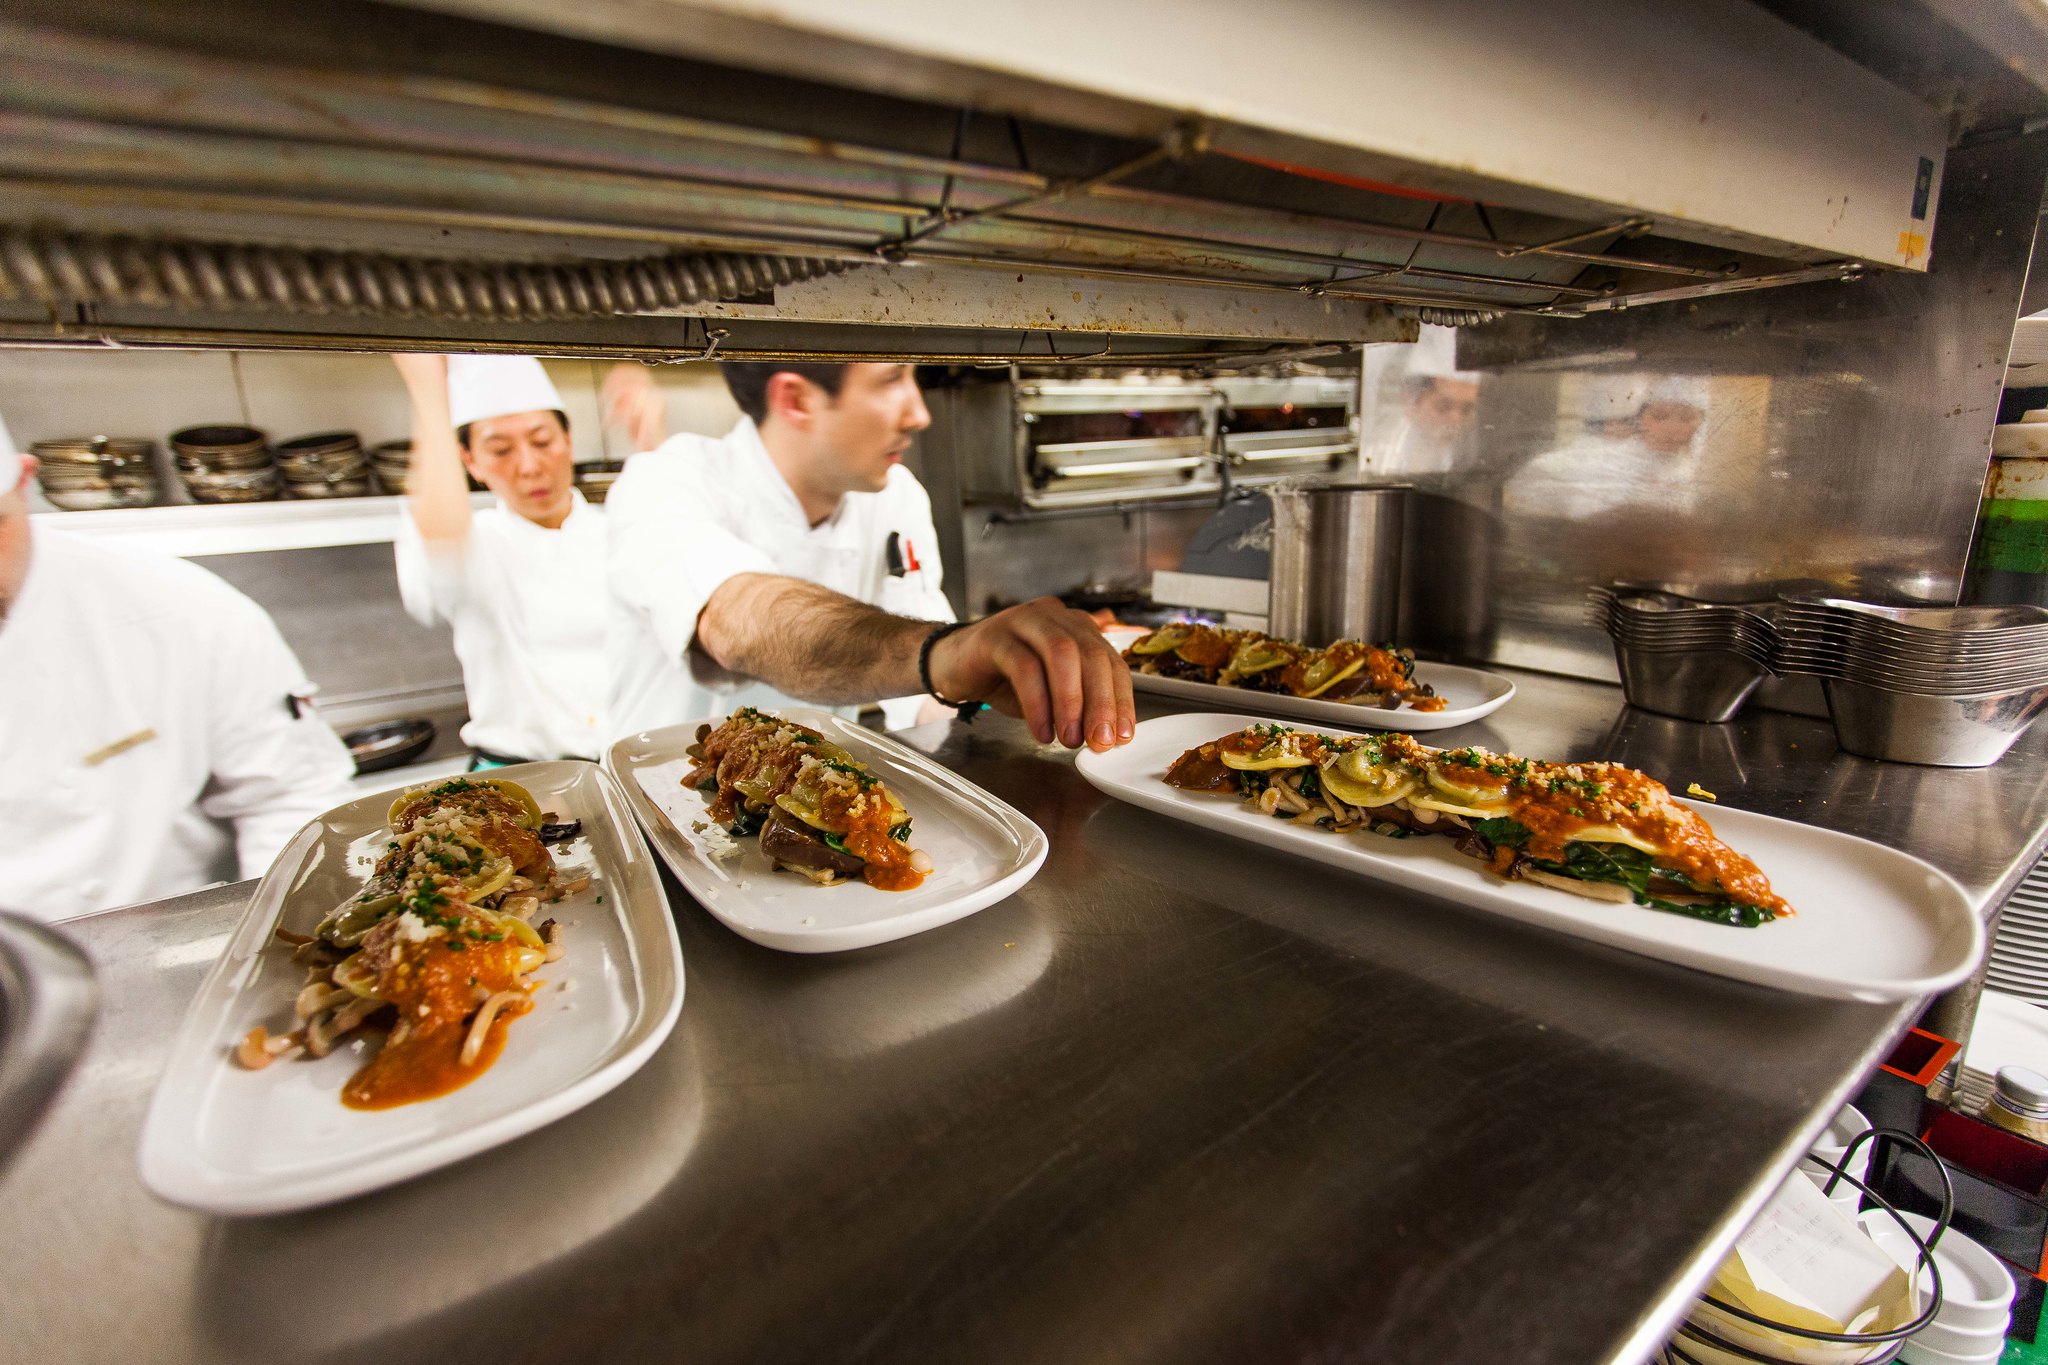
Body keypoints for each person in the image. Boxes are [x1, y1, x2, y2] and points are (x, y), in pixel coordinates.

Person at [608, 360, 1133, 749]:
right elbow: (736, 621)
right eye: (891, 379)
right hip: (666, 813)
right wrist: (943, 652)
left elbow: (923, 689)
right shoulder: (664, 482)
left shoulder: (896, 494)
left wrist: (993, 707)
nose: (920, 413)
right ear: (796, 400)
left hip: (818, 797)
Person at [0, 413, 356, 922]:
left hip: (174, 955)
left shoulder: (181, 610)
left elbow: (290, 798)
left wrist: (271, 945)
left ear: (26, 480)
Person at [392, 353, 609, 765]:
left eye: (542, 441)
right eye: (500, 450)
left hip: (625, 775)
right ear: (470, 462)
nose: (529, 466)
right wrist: (428, 393)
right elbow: (440, 547)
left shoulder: (620, 530)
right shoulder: (476, 541)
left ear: (569, 441)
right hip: (518, 778)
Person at [1360, 324, 1480, 481]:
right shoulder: (1379, 455)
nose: (1455, 420)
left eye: (1466, 409)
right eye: (1443, 406)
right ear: (1411, 401)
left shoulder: (1471, 465)